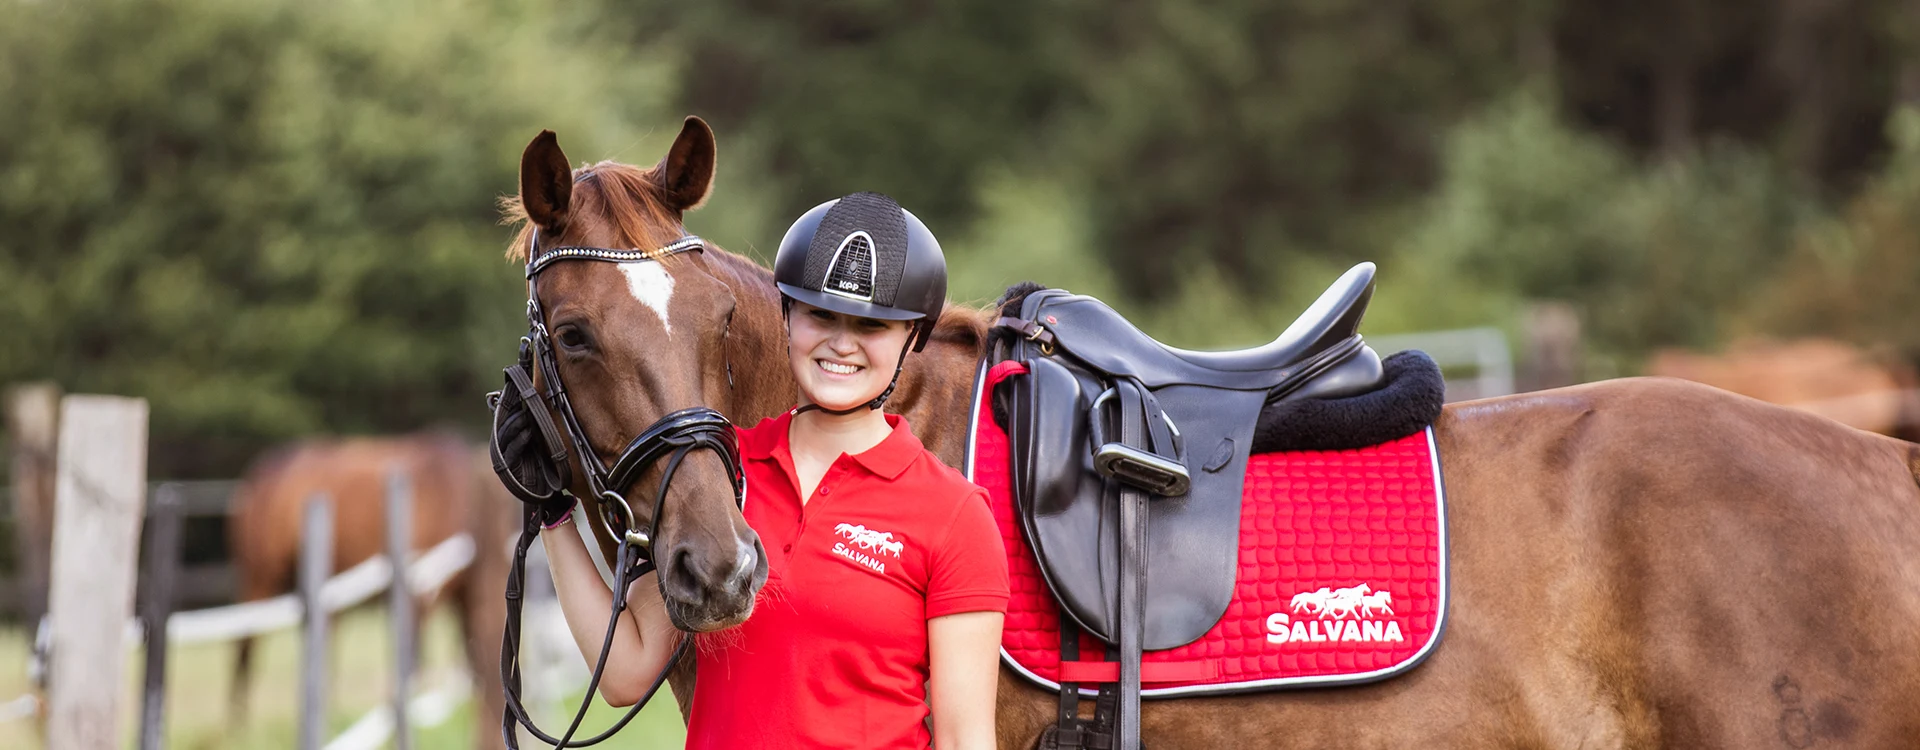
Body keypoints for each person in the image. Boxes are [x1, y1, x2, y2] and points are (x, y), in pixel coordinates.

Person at [542, 192, 1010, 749]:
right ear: (787, 314)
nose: (841, 342)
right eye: (820, 314)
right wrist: (552, 509)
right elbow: (625, 672)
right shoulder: (715, 477)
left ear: (912, 336)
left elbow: (965, 741)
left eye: (871, 325)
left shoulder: (954, 514)